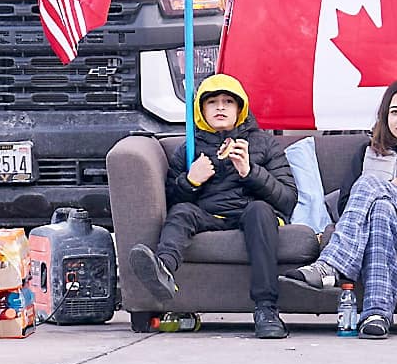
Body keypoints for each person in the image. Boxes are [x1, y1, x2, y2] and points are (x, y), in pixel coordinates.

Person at [276, 80, 397, 339]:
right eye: (395, 112)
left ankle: (331, 265)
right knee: (381, 210)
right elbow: (346, 204)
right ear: (385, 116)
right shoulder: (368, 151)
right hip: (386, 220)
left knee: (369, 183)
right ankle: (376, 314)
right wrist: (388, 189)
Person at [125, 72, 297, 339]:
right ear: (201, 110)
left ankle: (267, 310)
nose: (220, 107)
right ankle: (163, 270)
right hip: (209, 216)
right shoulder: (189, 148)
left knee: (260, 210)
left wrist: (250, 172)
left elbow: (287, 198)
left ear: (239, 109)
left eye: (228, 101)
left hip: (252, 214)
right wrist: (190, 181)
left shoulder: (264, 143)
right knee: (181, 213)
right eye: (212, 102)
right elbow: (169, 202)